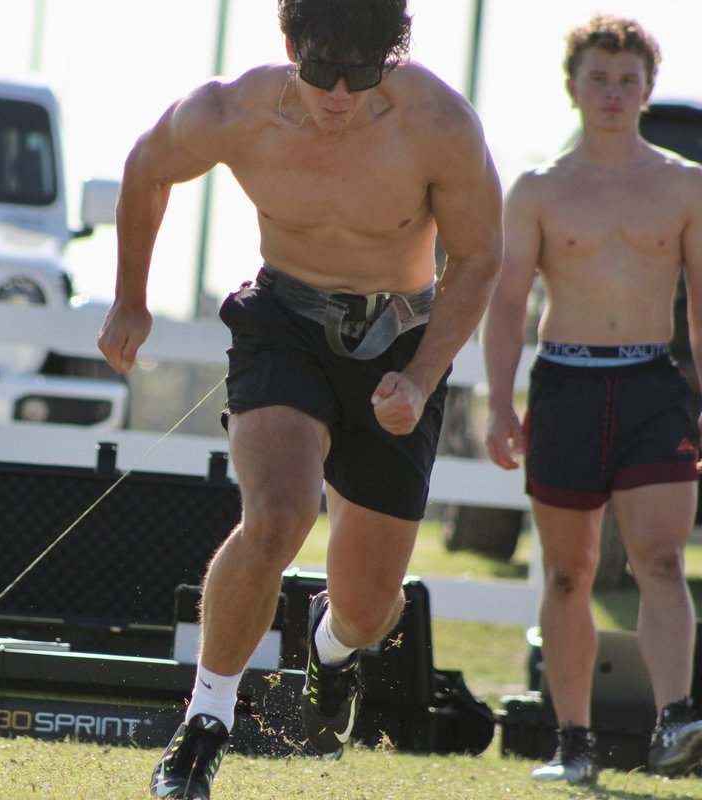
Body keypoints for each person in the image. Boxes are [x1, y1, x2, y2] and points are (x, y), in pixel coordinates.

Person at [96, 1, 502, 796]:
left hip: (401, 341)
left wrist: (419, 379)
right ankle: (203, 726)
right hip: (284, 321)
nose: (342, 94)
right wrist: (130, 298)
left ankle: (332, 650)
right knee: (277, 514)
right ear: (291, 48)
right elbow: (147, 167)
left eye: (365, 72)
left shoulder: (439, 123)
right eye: (323, 70)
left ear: (393, 58)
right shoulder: (233, 111)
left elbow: (481, 257)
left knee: (369, 607)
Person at [483, 14, 702, 785]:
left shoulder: (684, 183)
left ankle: (675, 718)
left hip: (651, 384)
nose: (613, 92)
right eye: (599, 78)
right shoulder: (539, 188)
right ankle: (571, 742)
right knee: (569, 572)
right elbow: (508, 303)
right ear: (573, 87)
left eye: (628, 79)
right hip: (567, 385)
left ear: (648, 88)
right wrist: (501, 404)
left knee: (663, 561)